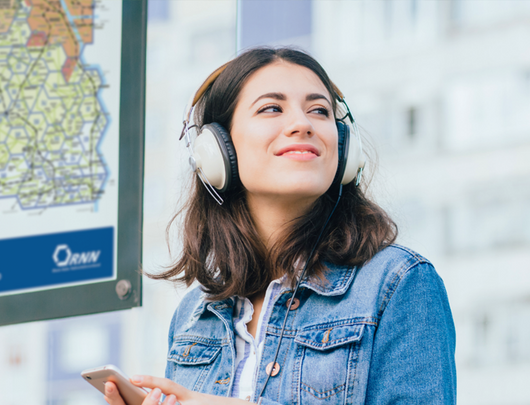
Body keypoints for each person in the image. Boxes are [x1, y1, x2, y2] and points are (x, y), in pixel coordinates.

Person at [105, 47, 456, 405]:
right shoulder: (194, 314)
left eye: (319, 110)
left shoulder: (398, 282)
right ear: (216, 149)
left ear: (344, 146)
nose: (303, 124)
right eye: (272, 108)